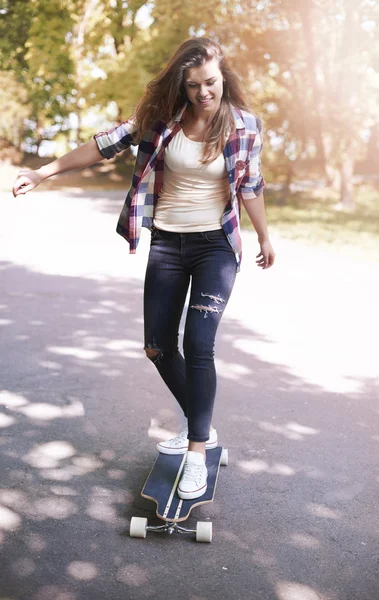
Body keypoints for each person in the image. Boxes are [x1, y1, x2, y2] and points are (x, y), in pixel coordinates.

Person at [12, 37, 276, 501]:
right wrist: (42, 172)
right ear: (182, 84)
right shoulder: (162, 120)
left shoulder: (244, 127)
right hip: (168, 246)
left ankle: (196, 450)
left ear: (223, 77)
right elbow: (101, 147)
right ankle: (204, 426)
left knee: (198, 341)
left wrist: (265, 236)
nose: (204, 94)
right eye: (193, 86)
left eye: (211, 83)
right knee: (157, 347)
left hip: (216, 246)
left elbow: (250, 187)